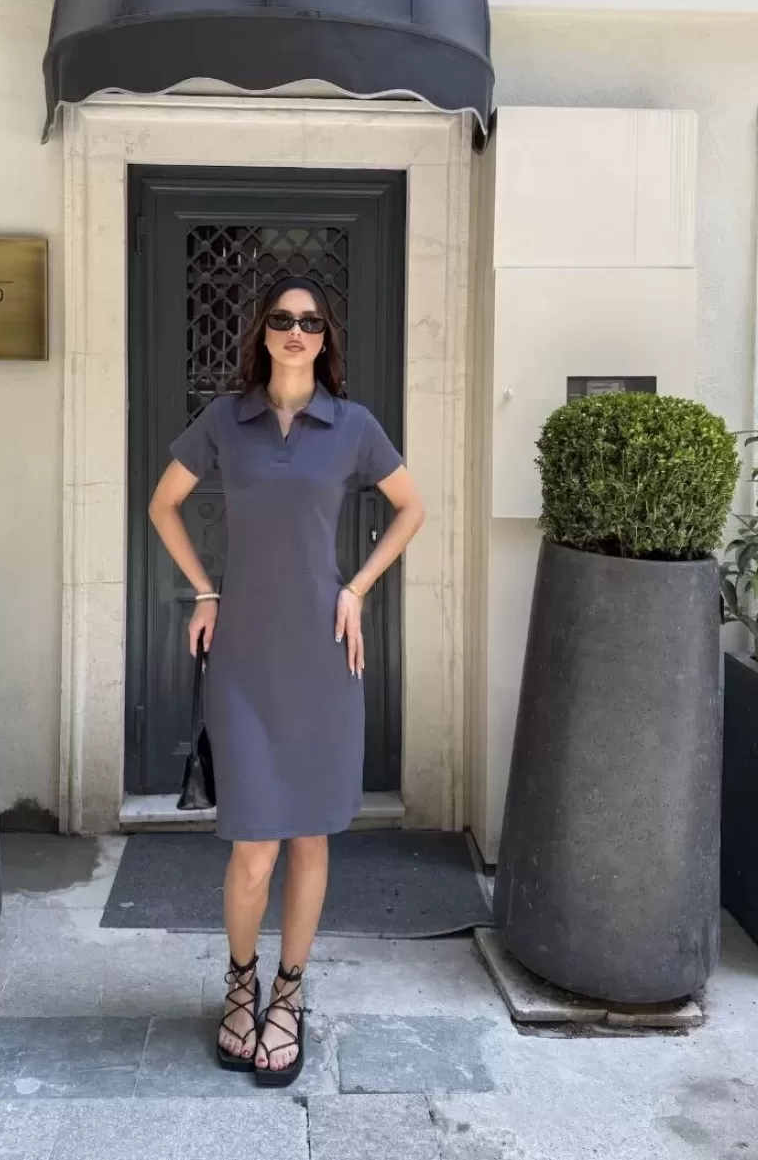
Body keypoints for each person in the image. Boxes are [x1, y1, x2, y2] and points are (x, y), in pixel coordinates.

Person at [148, 274, 425, 1087]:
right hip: (244, 658)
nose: (296, 330)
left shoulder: (353, 425)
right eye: (281, 318)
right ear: (263, 334)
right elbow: (163, 505)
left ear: (325, 338)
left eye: (310, 320)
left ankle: (289, 994)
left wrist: (357, 587)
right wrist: (205, 591)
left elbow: (411, 508)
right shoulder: (223, 422)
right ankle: (241, 985)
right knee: (253, 847)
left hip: (322, 656)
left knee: (309, 836)